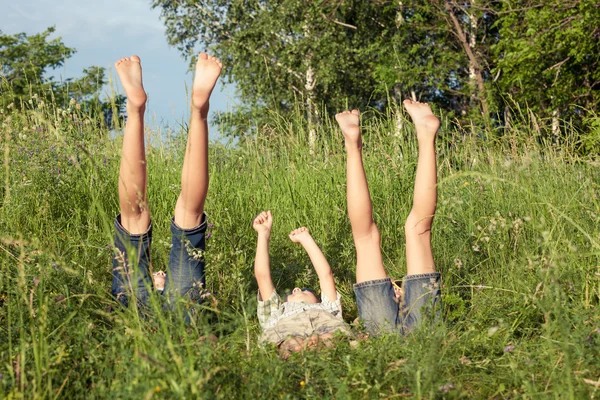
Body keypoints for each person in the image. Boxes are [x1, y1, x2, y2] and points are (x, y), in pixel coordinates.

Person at [110, 53, 222, 308]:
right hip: (176, 310)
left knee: (140, 217)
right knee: (182, 215)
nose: (160, 273)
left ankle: (137, 110)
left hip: (138, 311)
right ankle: (198, 112)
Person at [335, 100, 442, 335]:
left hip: (415, 338)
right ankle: (424, 137)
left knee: (417, 232)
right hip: (386, 335)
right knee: (371, 238)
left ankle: (355, 147)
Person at [252, 211, 351, 356]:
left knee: (331, 336)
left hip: (324, 328)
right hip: (288, 332)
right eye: (290, 293)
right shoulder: (277, 311)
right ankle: (304, 348)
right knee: (290, 342)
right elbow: (262, 276)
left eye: (307, 290)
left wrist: (306, 239)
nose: (296, 289)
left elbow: (325, 275)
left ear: (318, 300)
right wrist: (263, 233)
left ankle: (313, 347)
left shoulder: (327, 308)